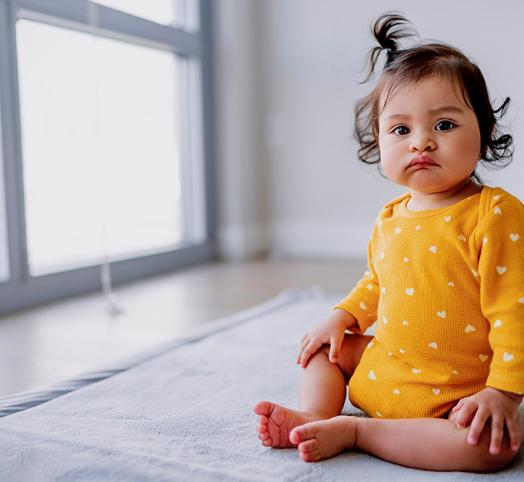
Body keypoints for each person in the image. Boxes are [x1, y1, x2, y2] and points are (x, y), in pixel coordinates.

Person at [254, 12, 524, 472]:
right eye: (401, 130)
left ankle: (358, 430)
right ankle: (318, 415)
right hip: (389, 363)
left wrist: (502, 392)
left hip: (458, 393)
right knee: (321, 347)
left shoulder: (494, 214)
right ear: (378, 143)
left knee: (490, 450)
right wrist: (341, 315)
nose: (422, 141)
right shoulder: (390, 218)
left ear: (485, 132)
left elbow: (515, 310)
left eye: (443, 125)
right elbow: (376, 285)